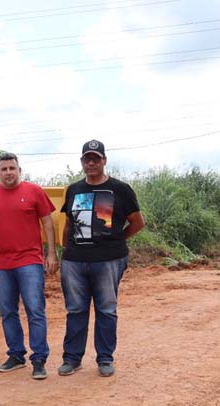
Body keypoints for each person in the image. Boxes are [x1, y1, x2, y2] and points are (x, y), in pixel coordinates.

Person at [58, 140, 145, 377]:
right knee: (76, 310)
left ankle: (105, 359)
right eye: (87, 159)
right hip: (74, 261)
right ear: (82, 162)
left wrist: (117, 240)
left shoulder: (120, 189)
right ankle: (72, 358)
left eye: (96, 158)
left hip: (108, 260)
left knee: (106, 309)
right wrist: (65, 253)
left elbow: (137, 222)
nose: (92, 163)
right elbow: (68, 224)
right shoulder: (74, 189)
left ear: (104, 160)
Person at [0, 152, 58, 380]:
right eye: (4, 169)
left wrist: (51, 253)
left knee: (35, 309)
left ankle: (39, 358)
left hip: (30, 261)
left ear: (19, 170)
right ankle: (16, 354)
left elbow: (48, 223)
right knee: (8, 311)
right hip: (2, 263)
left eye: (12, 168)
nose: (8, 172)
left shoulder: (34, 191)